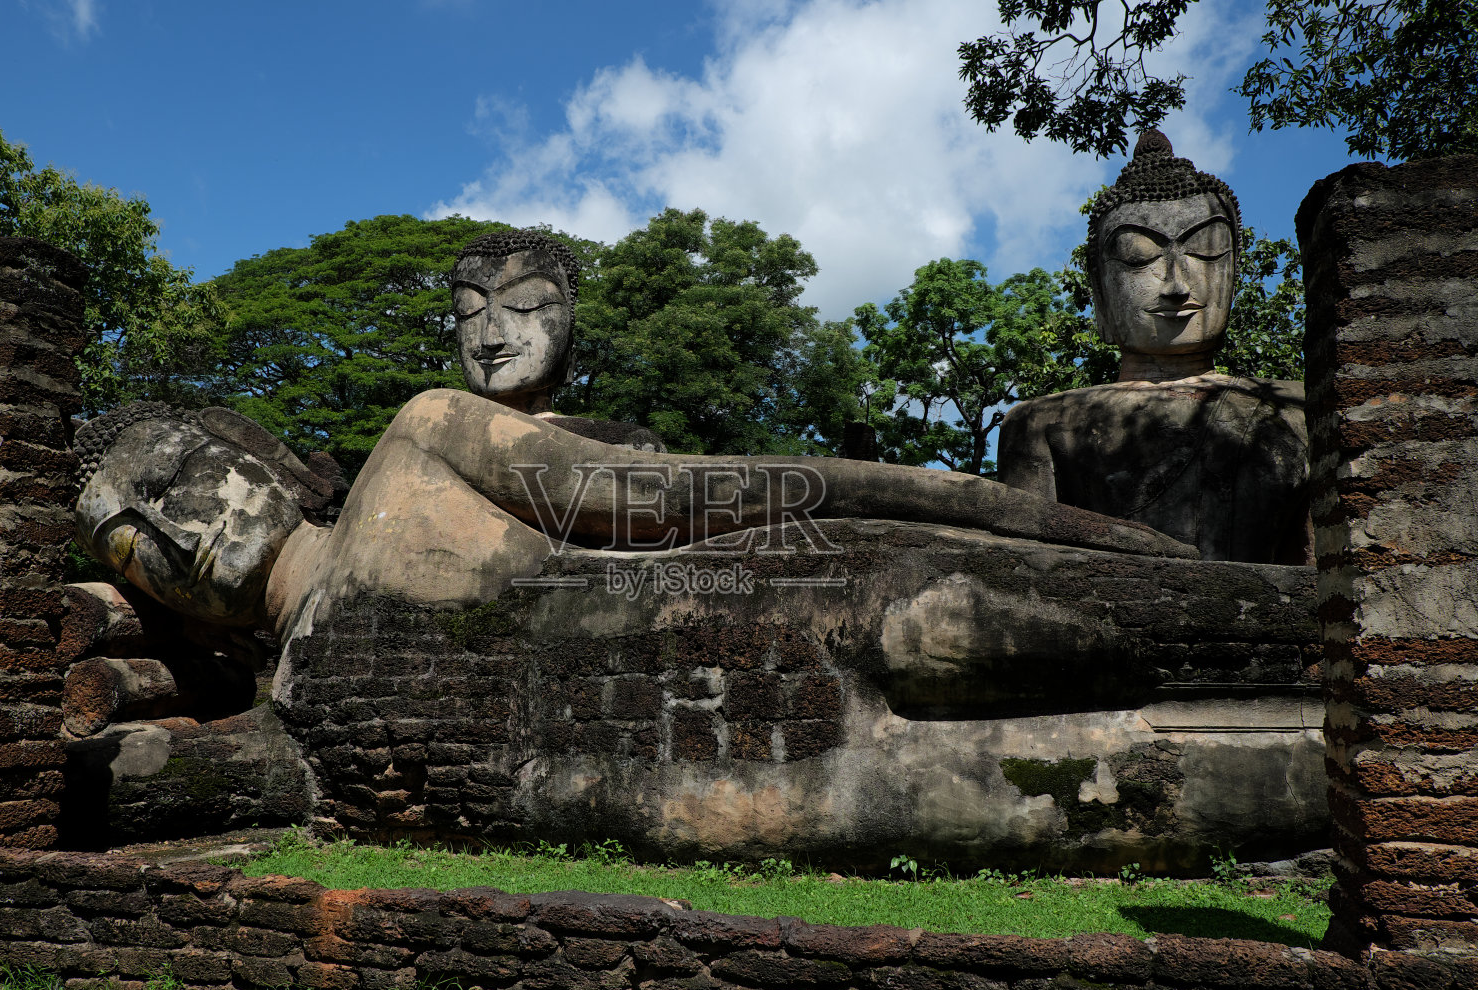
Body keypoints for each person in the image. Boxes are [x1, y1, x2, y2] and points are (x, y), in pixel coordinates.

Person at [76, 231, 1197, 641]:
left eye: (521, 309)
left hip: (734, 600)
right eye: (467, 317)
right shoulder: (304, 639)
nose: (492, 336)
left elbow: (714, 500)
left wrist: (978, 502)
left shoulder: (420, 444)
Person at [997, 131, 1310, 564]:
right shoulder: (1043, 423)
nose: (1177, 285)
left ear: (1234, 270)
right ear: (1099, 291)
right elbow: (1029, 572)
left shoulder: (1298, 409)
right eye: (1138, 256)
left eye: (1206, 249)